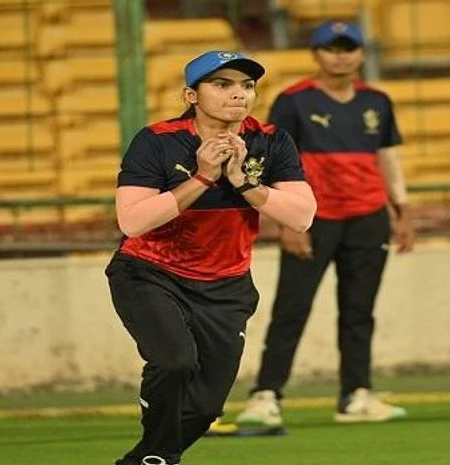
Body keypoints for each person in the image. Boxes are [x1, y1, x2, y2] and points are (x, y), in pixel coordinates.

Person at [105, 50, 317, 465]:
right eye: (222, 84)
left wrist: (242, 181)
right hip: (150, 272)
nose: (238, 94)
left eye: (247, 85)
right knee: (175, 362)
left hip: (226, 284)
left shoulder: (271, 140)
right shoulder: (157, 140)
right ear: (191, 95)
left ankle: (148, 459)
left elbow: (302, 216)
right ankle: (157, 455)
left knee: (206, 407)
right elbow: (132, 221)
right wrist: (203, 177)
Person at [231, 20, 417, 429]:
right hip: (312, 218)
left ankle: (356, 395)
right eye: (331, 48)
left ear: (362, 54)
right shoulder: (293, 101)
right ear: (315, 54)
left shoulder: (377, 101)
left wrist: (401, 210)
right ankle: (266, 395)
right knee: (291, 308)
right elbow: (275, 161)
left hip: (368, 217)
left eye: (348, 48)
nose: (340, 56)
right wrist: (288, 221)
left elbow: (386, 157)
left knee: (359, 310)